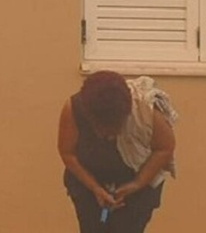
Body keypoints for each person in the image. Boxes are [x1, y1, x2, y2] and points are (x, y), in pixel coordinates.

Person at [57, 71, 178, 233]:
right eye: (101, 129)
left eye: (114, 128)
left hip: (138, 186)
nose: (107, 137)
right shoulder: (73, 109)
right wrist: (95, 188)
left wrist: (137, 183)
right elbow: (68, 153)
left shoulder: (145, 111)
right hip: (87, 184)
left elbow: (165, 148)